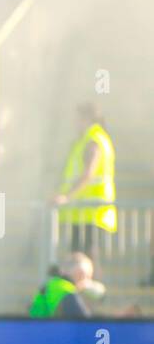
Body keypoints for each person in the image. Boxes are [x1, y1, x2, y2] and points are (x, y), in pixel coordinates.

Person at [53, 103, 116, 257]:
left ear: (86, 119)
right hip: (83, 211)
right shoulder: (89, 140)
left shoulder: (93, 140)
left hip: (91, 211)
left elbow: (89, 173)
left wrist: (66, 197)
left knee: (88, 259)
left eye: (76, 118)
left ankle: (92, 282)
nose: (73, 122)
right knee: (80, 259)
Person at [30, 251, 96, 319]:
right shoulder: (66, 290)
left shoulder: (54, 284)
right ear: (67, 270)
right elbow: (85, 322)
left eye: (88, 277)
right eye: (82, 275)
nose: (86, 281)